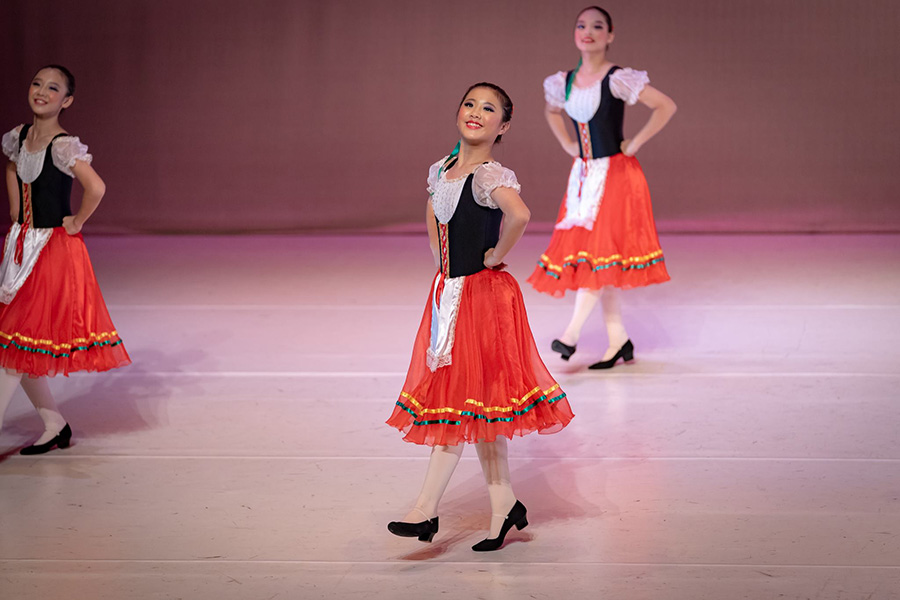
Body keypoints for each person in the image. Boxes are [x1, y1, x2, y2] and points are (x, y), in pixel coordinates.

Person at [386, 82, 574, 552]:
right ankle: (504, 505)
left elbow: (520, 215)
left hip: (484, 299)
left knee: (457, 400)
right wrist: (440, 262)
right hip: (450, 294)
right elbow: (434, 211)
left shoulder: (491, 175)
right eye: (470, 104)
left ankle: (425, 510)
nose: (475, 112)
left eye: (489, 109)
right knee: (479, 404)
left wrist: (495, 256)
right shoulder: (442, 169)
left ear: (503, 126)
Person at [527, 6, 677, 369]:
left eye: (597, 26)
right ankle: (618, 340)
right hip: (583, 176)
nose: (588, 31)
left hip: (617, 176)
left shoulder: (617, 79)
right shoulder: (563, 82)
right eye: (581, 25)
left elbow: (665, 106)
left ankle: (571, 335)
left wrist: (635, 142)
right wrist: (567, 144)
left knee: (596, 255)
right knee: (598, 259)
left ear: (610, 35)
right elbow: (551, 111)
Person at [0, 65, 131, 454]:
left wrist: (76, 221)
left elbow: (96, 187)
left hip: (52, 252)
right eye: (37, 83)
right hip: (22, 245)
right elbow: (12, 166)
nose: (41, 91)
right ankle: (55, 424)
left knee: (13, 345)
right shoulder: (20, 136)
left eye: (53, 88)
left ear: (67, 100)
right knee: (21, 345)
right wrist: (15, 209)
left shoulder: (62, 146)